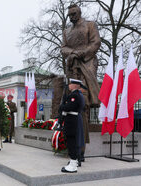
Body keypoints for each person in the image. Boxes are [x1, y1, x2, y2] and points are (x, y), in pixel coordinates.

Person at [61, 4, 101, 158]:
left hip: (86, 64)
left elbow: (95, 43)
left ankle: (81, 148)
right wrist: (72, 53)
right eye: (70, 14)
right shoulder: (66, 31)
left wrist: (80, 53)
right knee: (73, 102)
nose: (72, 17)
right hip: (72, 66)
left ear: (79, 12)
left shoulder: (90, 25)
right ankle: (74, 146)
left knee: (83, 103)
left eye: (74, 13)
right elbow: (63, 48)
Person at [60, 79, 85, 173]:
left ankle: (73, 164)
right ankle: (73, 162)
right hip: (73, 120)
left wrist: (62, 106)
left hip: (72, 121)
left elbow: (67, 107)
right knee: (72, 141)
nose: (69, 85)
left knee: (71, 142)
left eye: (71, 83)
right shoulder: (78, 94)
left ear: (75, 85)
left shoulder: (75, 95)